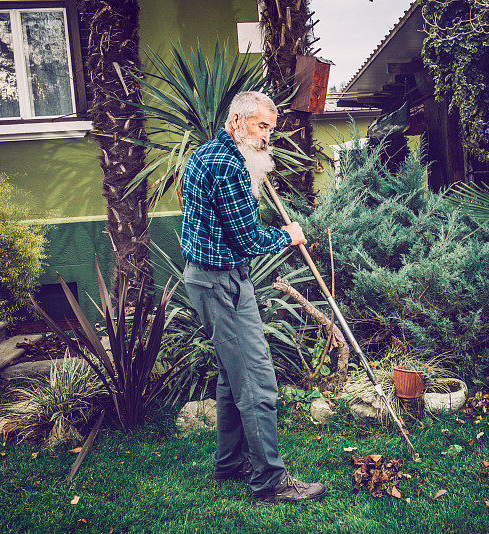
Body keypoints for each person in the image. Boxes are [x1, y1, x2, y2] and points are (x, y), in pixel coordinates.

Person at [180, 91, 327, 506]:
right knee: (257, 382)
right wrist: (289, 235)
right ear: (236, 122)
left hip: (212, 279)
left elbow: (230, 230)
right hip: (221, 282)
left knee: (232, 375)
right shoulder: (229, 165)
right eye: (261, 126)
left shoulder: (210, 153)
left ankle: (230, 463)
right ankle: (270, 483)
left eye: (270, 129)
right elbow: (247, 239)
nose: (266, 137)